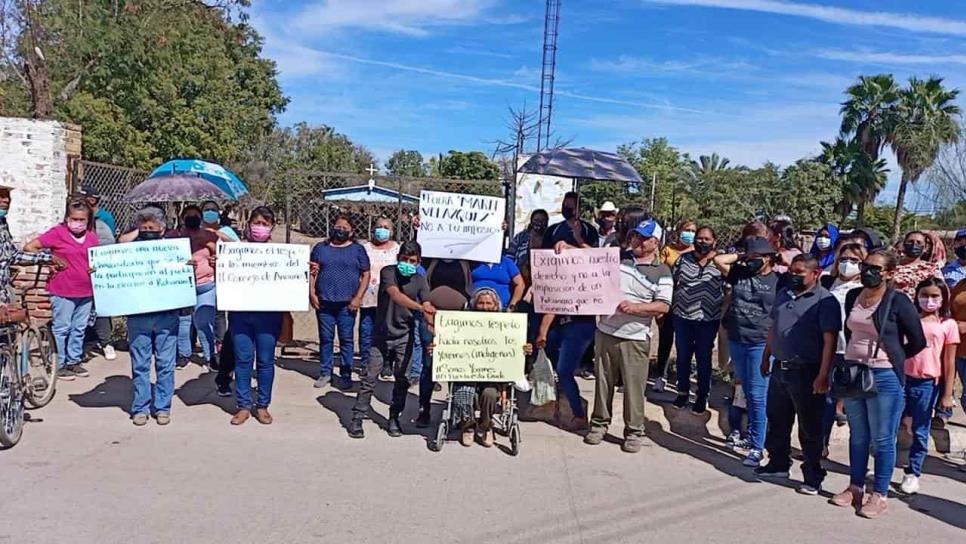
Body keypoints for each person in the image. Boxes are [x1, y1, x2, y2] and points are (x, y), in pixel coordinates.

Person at [831, 249, 926, 519]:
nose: (868, 271)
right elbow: (851, 330)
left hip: (884, 376)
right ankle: (855, 487)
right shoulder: (853, 296)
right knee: (858, 435)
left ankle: (880, 493)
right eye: (866, 266)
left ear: (889, 273)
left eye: (875, 268)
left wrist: (893, 358)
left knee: (883, 438)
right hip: (853, 373)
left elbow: (917, 340)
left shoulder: (898, 301)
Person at [583, 219, 672, 453]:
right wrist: (566, 247)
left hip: (635, 337)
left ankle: (634, 431)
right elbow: (587, 257)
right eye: (635, 236)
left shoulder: (662, 272)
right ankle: (599, 424)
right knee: (603, 384)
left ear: (656, 242)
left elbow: (663, 306)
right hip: (606, 332)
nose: (638, 241)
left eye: (643, 238)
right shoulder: (617, 259)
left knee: (634, 389)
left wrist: (636, 308)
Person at [757, 254, 840, 495]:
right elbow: (774, 328)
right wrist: (766, 357)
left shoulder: (825, 302)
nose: (794, 275)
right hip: (780, 368)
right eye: (792, 271)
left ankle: (813, 475)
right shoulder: (783, 294)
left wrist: (823, 374)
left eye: (800, 272)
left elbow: (829, 341)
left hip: (807, 371)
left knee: (809, 427)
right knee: (777, 419)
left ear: (816, 274)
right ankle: (778, 463)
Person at [348, 241, 434, 439]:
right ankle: (357, 418)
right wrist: (421, 308)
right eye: (404, 259)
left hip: (405, 335)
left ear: (418, 262)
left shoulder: (421, 280)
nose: (407, 263)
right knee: (370, 378)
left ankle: (394, 418)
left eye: (412, 261)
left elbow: (427, 303)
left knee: (402, 379)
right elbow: (395, 295)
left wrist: (433, 321)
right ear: (398, 258)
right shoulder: (389, 272)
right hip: (381, 335)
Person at [714, 235, 780, 468]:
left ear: (769, 259)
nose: (751, 261)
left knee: (758, 395)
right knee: (742, 388)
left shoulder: (778, 281)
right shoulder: (739, 273)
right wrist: (743, 256)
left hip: (760, 342)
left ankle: (756, 447)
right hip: (737, 338)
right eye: (749, 256)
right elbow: (718, 260)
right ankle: (750, 439)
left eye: (757, 257)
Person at [447, 287, 533, 447]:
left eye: (488, 303)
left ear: (496, 305)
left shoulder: (507, 325)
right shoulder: (461, 323)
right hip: (466, 372)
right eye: (481, 303)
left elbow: (514, 345)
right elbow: (449, 342)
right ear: (474, 304)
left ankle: (486, 426)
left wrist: (525, 348)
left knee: (490, 394)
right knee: (466, 393)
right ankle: (468, 427)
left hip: (493, 374)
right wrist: (437, 348)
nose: (485, 307)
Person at [24, 200, 99, 381]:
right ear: (67, 218)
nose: (78, 223)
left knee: (79, 328)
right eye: (74, 218)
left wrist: (94, 268)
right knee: (61, 328)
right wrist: (50, 258)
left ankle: (74, 360)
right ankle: (58, 363)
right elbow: (30, 247)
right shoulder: (57, 233)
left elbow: (95, 259)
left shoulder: (91, 237)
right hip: (63, 289)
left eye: (82, 220)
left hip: (86, 290)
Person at [121, 207, 181, 426]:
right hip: (139, 315)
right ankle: (140, 408)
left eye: (151, 228)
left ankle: (163, 407)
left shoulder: (172, 250)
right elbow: (119, 246)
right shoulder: (129, 252)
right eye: (144, 227)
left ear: (162, 229)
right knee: (140, 364)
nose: (147, 231)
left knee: (165, 363)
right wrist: (138, 233)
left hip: (166, 316)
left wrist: (187, 267)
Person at [899, 278, 959, 494]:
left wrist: (947, 394)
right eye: (925, 295)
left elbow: (949, 361)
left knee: (920, 429)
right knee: (893, 422)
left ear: (943, 299)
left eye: (935, 296)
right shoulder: (909, 319)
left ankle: (913, 472)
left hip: (926, 382)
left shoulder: (947, 325)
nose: (929, 300)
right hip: (901, 378)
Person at [230, 207, 286, 426]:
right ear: (248, 224)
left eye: (265, 223)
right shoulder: (235, 253)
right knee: (243, 360)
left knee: (265, 361)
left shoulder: (281, 255)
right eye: (257, 222)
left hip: (268, 316)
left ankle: (262, 405)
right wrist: (219, 266)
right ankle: (243, 406)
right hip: (240, 314)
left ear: (271, 227)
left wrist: (305, 271)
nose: (260, 227)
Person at [310, 216, 371, 390]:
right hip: (324, 302)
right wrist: (312, 293)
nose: (341, 230)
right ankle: (325, 372)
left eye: (345, 227)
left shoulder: (358, 250)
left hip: (347, 304)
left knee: (346, 339)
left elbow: (366, 274)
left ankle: (345, 373)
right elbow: (312, 271)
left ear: (351, 231)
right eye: (338, 226)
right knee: (326, 338)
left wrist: (358, 297)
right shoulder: (321, 248)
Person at [670, 226, 724, 414]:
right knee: (683, 356)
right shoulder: (683, 259)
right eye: (699, 238)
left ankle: (702, 395)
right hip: (682, 317)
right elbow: (672, 282)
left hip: (708, 319)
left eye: (707, 239)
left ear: (714, 241)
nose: (702, 242)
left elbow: (729, 287)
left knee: (704, 357)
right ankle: (682, 392)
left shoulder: (720, 262)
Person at [819, 243, 868, 448]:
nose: (848, 264)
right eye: (843, 259)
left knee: (853, 403)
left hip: (851, 351)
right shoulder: (826, 281)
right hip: (826, 348)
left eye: (854, 261)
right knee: (825, 400)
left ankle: (859, 454)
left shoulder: (864, 289)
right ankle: (820, 445)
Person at [166, 205, 219, 369]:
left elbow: (221, 255)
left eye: (195, 215)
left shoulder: (210, 235)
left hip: (206, 285)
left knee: (204, 323)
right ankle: (184, 355)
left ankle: (210, 357)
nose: (192, 218)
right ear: (182, 218)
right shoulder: (173, 236)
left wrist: (210, 248)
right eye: (188, 216)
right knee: (183, 322)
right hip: (182, 286)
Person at [653, 219, 696, 392]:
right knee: (665, 339)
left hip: (688, 304)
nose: (690, 234)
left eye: (693, 230)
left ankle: (682, 376)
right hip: (669, 301)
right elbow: (659, 274)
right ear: (679, 231)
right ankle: (660, 375)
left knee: (684, 342)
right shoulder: (668, 251)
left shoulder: (697, 252)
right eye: (687, 230)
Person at [76, 185, 118, 361]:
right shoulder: (73, 221)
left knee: (101, 307)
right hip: (77, 273)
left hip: (98, 271)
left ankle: (105, 341)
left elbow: (108, 246)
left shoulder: (103, 221)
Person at [360, 218, 400, 375]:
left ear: (392, 231)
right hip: (368, 298)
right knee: (367, 332)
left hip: (389, 299)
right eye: (379, 227)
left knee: (387, 332)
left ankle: (386, 364)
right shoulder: (364, 248)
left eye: (386, 227)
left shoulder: (397, 249)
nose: (382, 230)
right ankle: (365, 364)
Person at [893, 230, 941, 300]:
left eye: (919, 242)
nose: (914, 245)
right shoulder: (892, 267)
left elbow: (941, 290)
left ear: (925, 248)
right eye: (910, 242)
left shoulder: (932, 268)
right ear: (904, 245)